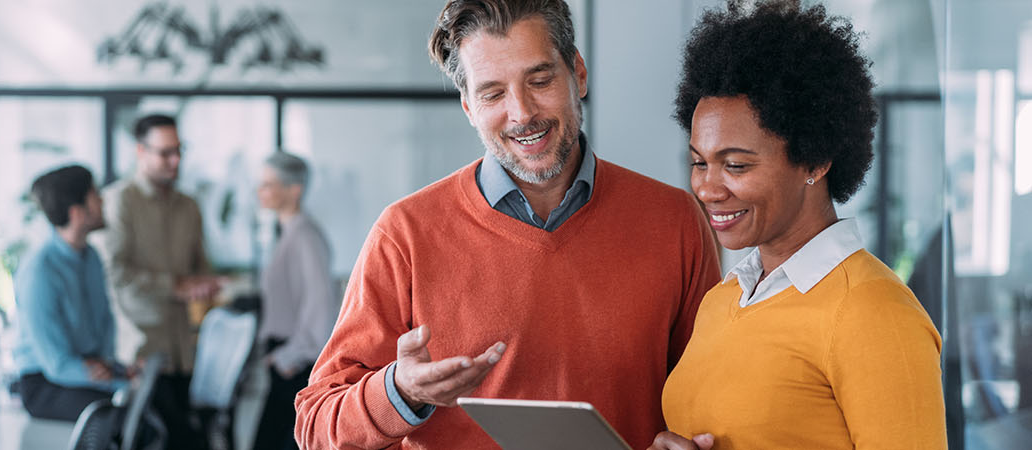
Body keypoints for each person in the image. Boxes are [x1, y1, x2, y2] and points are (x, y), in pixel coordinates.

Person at [294, 0, 724, 448]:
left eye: (539, 80)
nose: (521, 113)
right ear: (468, 106)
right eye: (493, 93)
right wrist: (401, 392)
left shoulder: (674, 221)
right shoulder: (405, 234)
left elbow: (708, 395)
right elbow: (314, 426)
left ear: (577, 73)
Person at [651, 2, 945, 448]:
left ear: (815, 159)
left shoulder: (872, 311)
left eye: (735, 165)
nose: (708, 188)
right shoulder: (723, 299)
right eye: (698, 162)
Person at [100, 113, 219, 449]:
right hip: (140, 349)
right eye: (165, 152)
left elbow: (200, 267)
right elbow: (115, 272)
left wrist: (206, 284)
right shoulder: (119, 201)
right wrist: (174, 286)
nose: (175, 160)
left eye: (179, 150)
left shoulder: (189, 207)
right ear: (141, 151)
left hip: (184, 350)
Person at [14, 165, 129, 421]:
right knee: (119, 415)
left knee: (152, 400)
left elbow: (104, 324)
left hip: (89, 368)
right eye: (95, 195)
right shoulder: (40, 271)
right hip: (46, 381)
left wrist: (116, 369)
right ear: (77, 213)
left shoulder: (92, 258)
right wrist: (118, 383)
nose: (102, 200)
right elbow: (56, 364)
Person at [251, 151, 338, 450]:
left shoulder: (305, 237)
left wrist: (291, 355)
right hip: (284, 357)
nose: (260, 191)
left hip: (294, 362)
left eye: (268, 184)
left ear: (294, 189)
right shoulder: (287, 234)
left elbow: (320, 304)